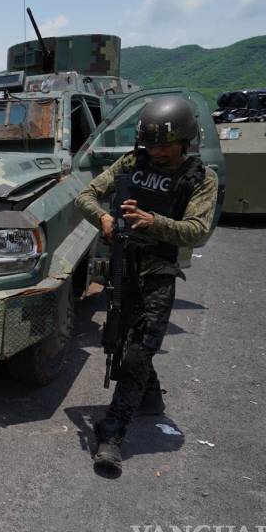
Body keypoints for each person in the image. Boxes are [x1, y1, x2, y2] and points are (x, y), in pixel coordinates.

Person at [74, 94, 219, 475]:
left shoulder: (201, 178)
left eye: (164, 145)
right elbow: (86, 196)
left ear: (185, 139)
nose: (155, 152)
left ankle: (112, 433)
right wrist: (103, 220)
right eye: (150, 144)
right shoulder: (129, 163)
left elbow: (198, 231)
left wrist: (151, 222)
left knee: (139, 350)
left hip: (158, 272)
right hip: (123, 265)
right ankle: (149, 395)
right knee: (123, 339)